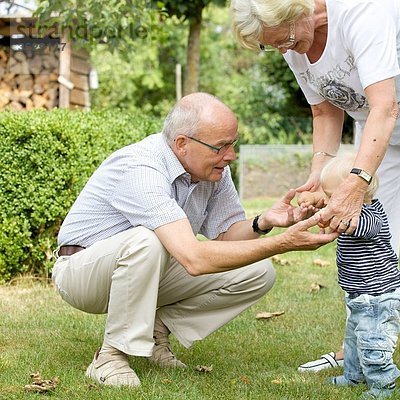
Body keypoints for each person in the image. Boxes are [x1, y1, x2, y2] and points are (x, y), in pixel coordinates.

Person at [230, 0, 400, 396]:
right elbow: (324, 110)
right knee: (368, 236)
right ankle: (358, 351)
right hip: (379, 124)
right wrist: (319, 177)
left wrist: (355, 183)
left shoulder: (363, 10)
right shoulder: (291, 40)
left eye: (286, 40)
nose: (285, 50)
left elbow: (387, 104)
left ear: (297, 10)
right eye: (274, 46)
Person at [51, 92, 338, 387]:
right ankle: (110, 356)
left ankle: (156, 333)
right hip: (83, 274)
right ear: (182, 144)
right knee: (145, 240)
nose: (230, 156)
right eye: (221, 147)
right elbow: (194, 258)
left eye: (233, 144)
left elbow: (227, 237)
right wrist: (284, 243)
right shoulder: (140, 167)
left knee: (258, 272)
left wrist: (263, 222)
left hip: (149, 268)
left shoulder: (212, 170)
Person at [300, 154, 400, 399]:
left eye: (331, 196)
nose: (327, 202)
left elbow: (353, 225)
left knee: (373, 344)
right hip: (361, 296)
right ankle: (354, 376)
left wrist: (324, 213)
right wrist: (314, 202)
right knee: (353, 342)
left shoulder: (371, 217)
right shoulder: (350, 213)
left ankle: (383, 384)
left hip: (381, 298)